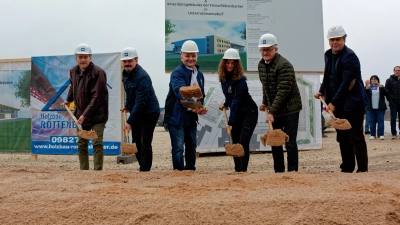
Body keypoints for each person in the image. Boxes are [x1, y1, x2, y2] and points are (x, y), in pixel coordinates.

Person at [314, 25, 368, 173]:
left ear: (344, 39)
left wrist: (333, 103)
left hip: (353, 104)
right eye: (331, 40)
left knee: (356, 137)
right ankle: (347, 168)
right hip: (338, 104)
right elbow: (328, 77)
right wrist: (321, 91)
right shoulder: (328, 55)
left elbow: (346, 84)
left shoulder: (350, 57)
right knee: (342, 137)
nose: (334, 43)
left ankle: (363, 170)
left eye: (337, 39)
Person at [257, 33, 302, 173]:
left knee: (289, 141)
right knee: (275, 141)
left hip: (290, 109)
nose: (265, 52)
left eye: (268, 49)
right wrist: (265, 102)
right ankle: (279, 172)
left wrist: (272, 112)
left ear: (275, 49)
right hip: (275, 108)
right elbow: (266, 85)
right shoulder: (261, 65)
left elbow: (283, 91)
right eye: (263, 50)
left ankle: (293, 171)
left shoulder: (284, 66)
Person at [61, 43, 109, 170]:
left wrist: (85, 115)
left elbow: (97, 97)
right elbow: (73, 88)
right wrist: (68, 100)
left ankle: (97, 172)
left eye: (85, 57)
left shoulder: (99, 73)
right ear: (76, 58)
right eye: (80, 57)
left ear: (90, 57)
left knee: (97, 143)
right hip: (80, 114)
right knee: (81, 144)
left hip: (97, 115)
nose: (83, 60)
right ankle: (84, 173)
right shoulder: (73, 71)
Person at [164, 40, 208, 171]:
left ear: (197, 57)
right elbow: (180, 92)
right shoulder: (176, 73)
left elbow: (201, 95)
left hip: (191, 117)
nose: (190, 58)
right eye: (187, 56)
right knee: (178, 148)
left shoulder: (199, 75)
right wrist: (195, 105)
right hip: (176, 116)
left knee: (191, 146)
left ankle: (190, 170)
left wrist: (200, 107)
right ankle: (178, 172)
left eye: (193, 55)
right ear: (181, 57)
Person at [218, 48, 258, 172]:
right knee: (235, 142)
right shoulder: (224, 79)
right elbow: (229, 96)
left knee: (243, 141)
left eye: (233, 63)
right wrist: (225, 104)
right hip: (238, 114)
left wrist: (230, 122)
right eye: (227, 62)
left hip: (249, 113)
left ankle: (243, 170)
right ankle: (237, 169)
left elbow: (236, 101)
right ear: (223, 63)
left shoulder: (240, 80)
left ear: (237, 64)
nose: (230, 65)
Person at [120, 47, 160, 172]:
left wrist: (129, 122)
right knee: (136, 140)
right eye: (125, 61)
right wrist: (127, 106)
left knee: (145, 141)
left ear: (136, 60)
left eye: (130, 61)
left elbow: (140, 102)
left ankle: (145, 169)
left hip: (149, 112)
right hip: (137, 111)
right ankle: (141, 165)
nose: (127, 64)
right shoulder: (125, 74)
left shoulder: (142, 77)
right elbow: (129, 93)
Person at [365, 75, 391, 140]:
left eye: (375, 79)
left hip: (380, 107)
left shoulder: (381, 87)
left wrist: (382, 87)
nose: (374, 81)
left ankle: (381, 134)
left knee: (380, 120)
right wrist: (366, 89)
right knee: (372, 121)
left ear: (378, 80)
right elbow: (362, 95)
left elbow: (387, 94)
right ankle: (372, 135)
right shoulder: (367, 87)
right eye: (372, 79)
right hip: (371, 107)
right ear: (370, 81)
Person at [384, 66, 400, 139]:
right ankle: (394, 133)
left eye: (399, 70)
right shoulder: (389, 80)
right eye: (396, 70)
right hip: (393, 101)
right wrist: (389, 99)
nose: (397, 71)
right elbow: (386, 91)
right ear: (393, 71)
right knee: (393, 118)